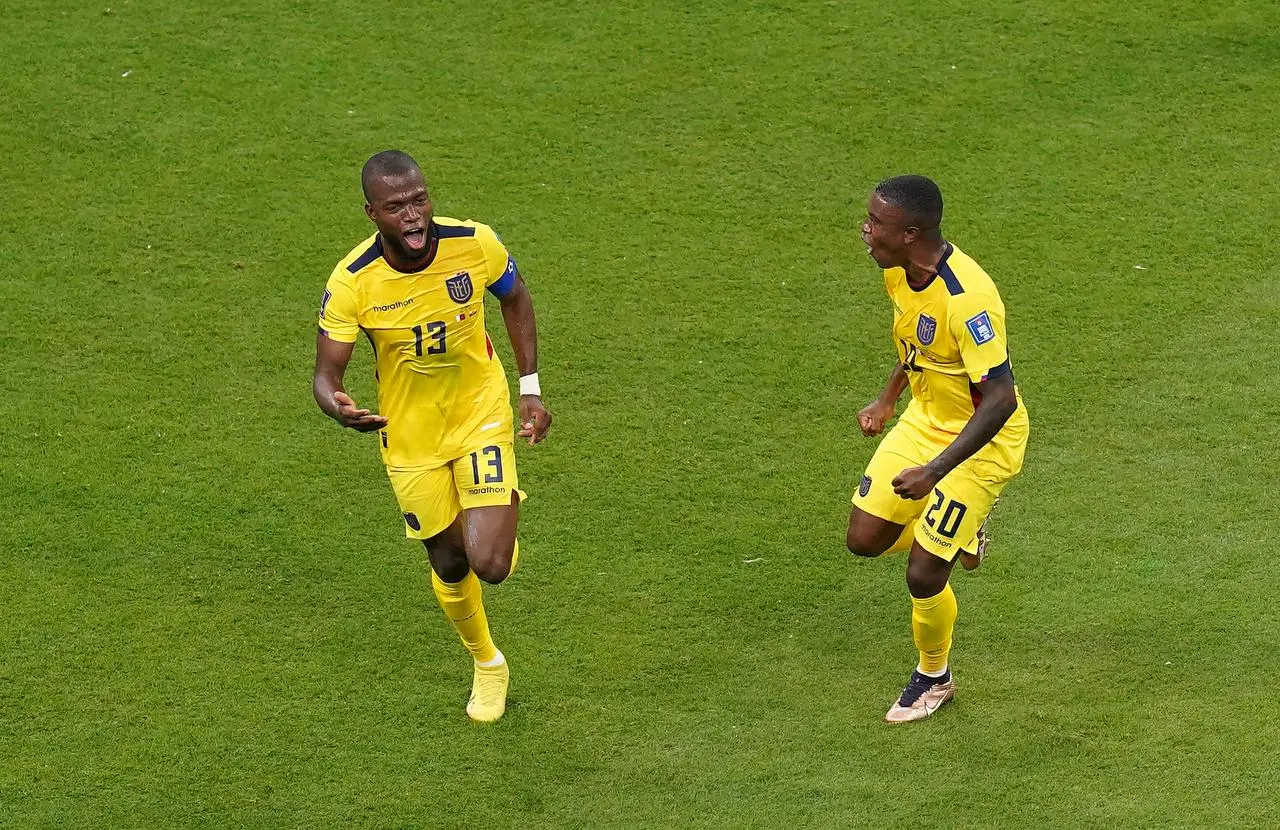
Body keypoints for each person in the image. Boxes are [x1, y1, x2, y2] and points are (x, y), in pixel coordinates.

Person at [312, 150, 551, 723]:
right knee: (449, 563)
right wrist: (338, 408)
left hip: (480, 412)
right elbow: (326, 375)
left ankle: (494, 515)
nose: (413, 216)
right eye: (397, 207)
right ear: (372, 213)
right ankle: (488, 663)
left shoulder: (475, 243)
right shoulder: (352, 282)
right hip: (409, 433)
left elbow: (514, 295)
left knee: (490, 564)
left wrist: (530, 387)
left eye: (420, 200)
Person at [846, 174, 1029, 723]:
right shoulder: (900, 271)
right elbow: (917, 344)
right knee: (864, 539)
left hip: (982, 439)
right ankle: (957, 534)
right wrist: (885, 400)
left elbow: (998, 399)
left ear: (911, 232)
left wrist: (934, 471)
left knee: (925, 572)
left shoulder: (967, 298)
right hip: (926, 420)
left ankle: (934, 675)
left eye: (877, 223)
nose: (866, 230)